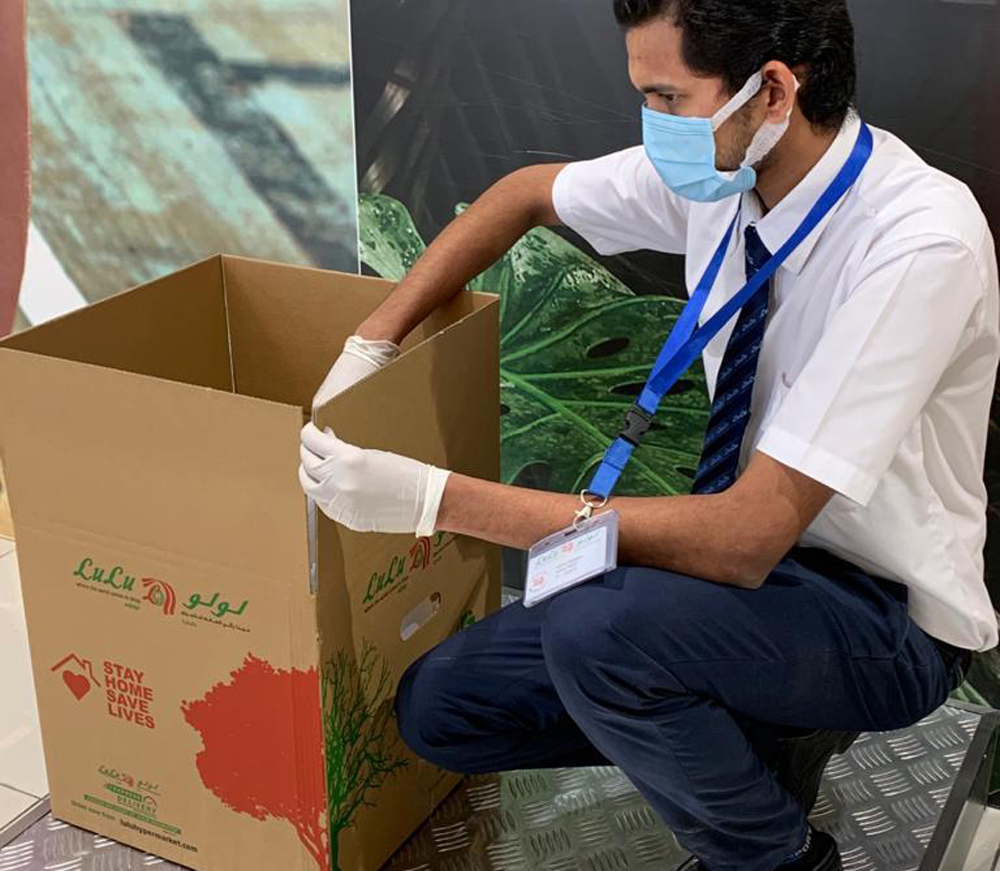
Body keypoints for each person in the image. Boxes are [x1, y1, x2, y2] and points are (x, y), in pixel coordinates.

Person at [298, 2, 999, 869]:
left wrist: (430, 498)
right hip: (745, 588)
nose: (653, 125)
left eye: (668, 98)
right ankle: (762, 725)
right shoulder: (727, 173)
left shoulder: (916, 240)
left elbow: (746, 538)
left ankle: (774, 856)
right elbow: (523, 195)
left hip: (879, 614)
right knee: (444, 705)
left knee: (599, 631)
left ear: (772, 90)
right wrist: (373, 340)